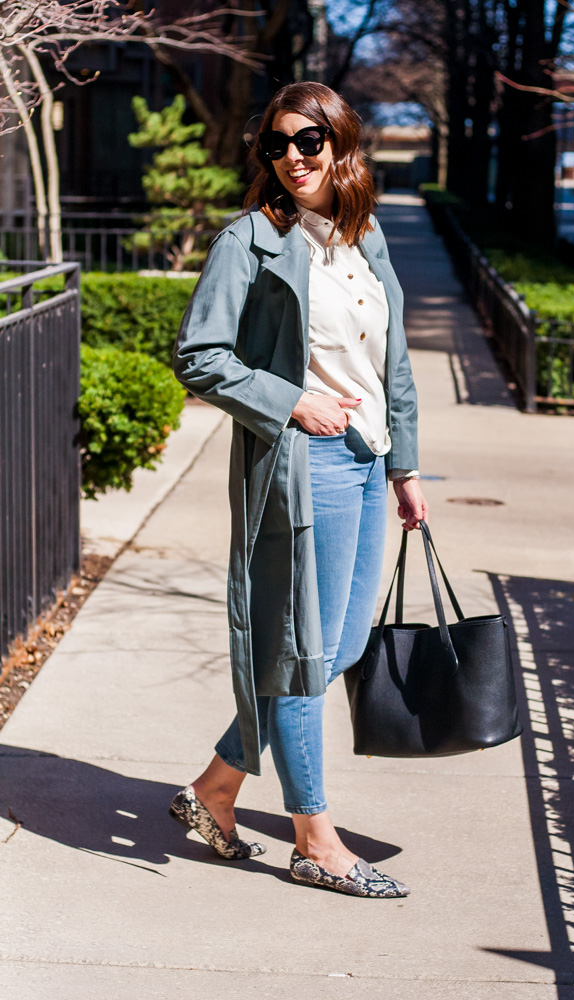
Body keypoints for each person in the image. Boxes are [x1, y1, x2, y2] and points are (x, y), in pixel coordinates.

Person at [171, 82, 428, 898]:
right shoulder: (249, 240)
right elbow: (201, 354)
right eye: (276, 146)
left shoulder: (364, 237)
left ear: (341, 145)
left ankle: (215, 788)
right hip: (297, 466)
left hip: (362, 460)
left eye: (308, 141)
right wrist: (293, 401)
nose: (291, 158)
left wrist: (405, 465)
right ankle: (314, 837)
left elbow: (393, 362)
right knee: (302, 657)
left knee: (338, 649)